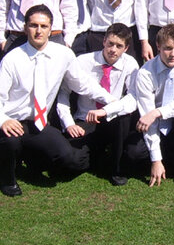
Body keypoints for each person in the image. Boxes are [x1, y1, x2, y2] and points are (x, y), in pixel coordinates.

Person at [0, 4, 115, 196]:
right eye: (34, 25)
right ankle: (8, 178)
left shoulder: (63, 54)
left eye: (44, 26)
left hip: (38, 123)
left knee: (68, 159)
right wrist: (3, 120)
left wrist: (112, 100)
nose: (38, 31)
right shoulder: (12, 59)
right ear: (26, 27)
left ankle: (32, 158)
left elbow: (83, 84)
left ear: (51, 29)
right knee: (11, 143)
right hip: (12, 122)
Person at [56, 23, 139, 185]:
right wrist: (68, 123)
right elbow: (63, 93)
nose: (113, 49)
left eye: (119, 46)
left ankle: (117, 169)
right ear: (104, 42)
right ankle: (97, 155)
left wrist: (107, 110)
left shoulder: (130, 64)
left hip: (112, 119)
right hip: (86, 120)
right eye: (110, 44)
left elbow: (133, 98)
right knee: (71, 163)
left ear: (126, 48)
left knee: (122, 117)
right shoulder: (82, 61)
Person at [125, 24, 174, 187]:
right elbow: (147, 118)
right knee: (134, 154)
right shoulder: (145, 72)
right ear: (158, 46)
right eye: (167, 48)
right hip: (156, 126)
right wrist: (156, 159)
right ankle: (162, 159)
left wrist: (158, 112)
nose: (173, 54)